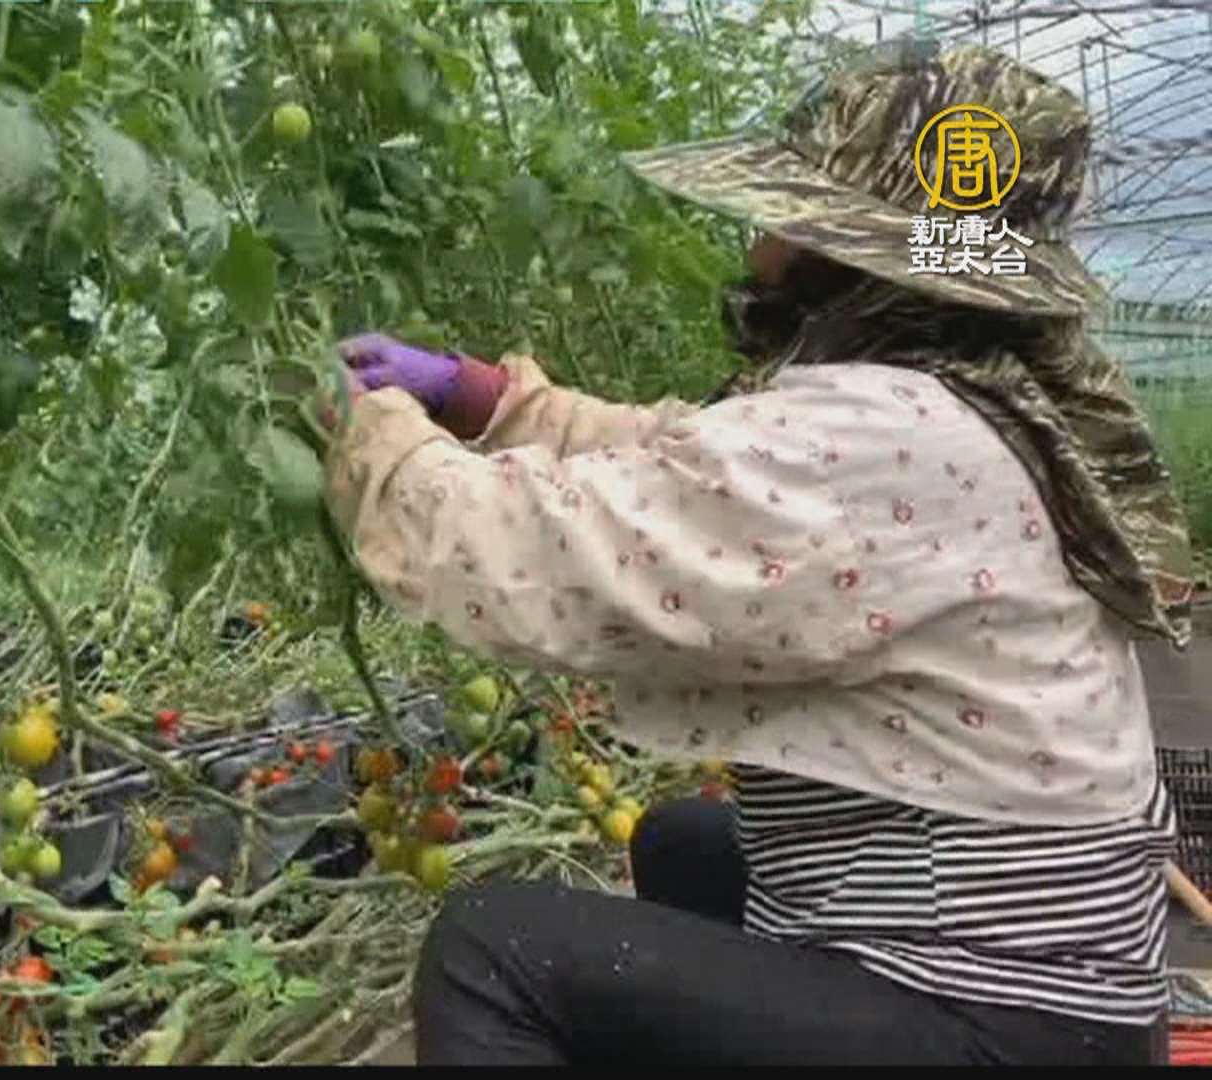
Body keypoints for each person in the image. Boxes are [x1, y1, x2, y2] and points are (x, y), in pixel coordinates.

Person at [322, 41, 1197, 1066]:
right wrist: (480, 398)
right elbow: (689, 464)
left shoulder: (887, 433)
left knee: (493, 949)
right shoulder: (964, 402)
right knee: (682, 843)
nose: (761, 236)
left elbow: (559, 554)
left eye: (790, 211)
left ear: (852, 249)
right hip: (1065, 985)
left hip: (1003, 1019)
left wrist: (376, 439)